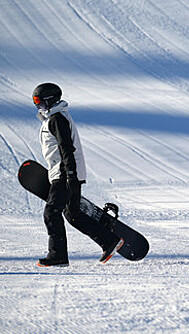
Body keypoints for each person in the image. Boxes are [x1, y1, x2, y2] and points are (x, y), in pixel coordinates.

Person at [32, 83, 123, 267]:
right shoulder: (54, 118)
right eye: (36, 103)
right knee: (73, 213)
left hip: (65, 173)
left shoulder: (57, 119)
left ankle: (57, 256)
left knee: (52, 212)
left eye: (40, 102)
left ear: (50, 101)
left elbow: (67, 148)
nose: (38, 106)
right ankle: (109, 241)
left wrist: (70, 174)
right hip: (65, 172)